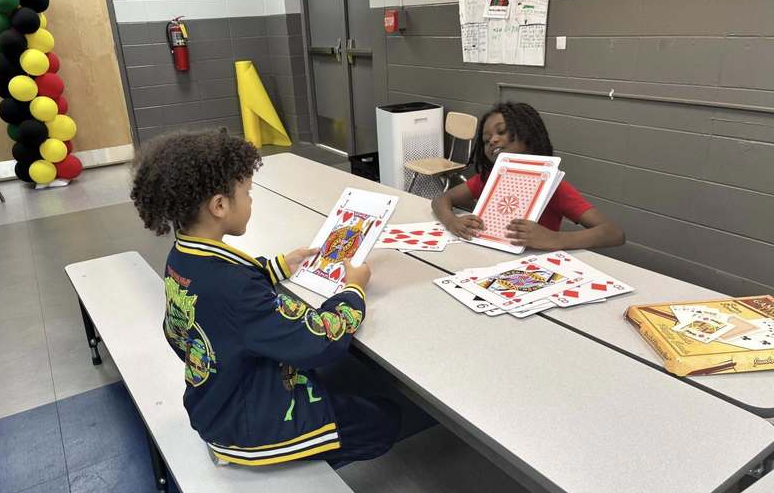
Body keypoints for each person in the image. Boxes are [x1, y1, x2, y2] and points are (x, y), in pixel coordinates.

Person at [130, 131, 400, 468]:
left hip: (213, 403)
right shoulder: (235, 286)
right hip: (251, 428)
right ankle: (307, 466)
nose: (251, 200)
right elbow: (315, 341)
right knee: (386, 421)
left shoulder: (182, 258)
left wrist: (278, 266)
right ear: (219, 205)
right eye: (247, 192)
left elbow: (180, 330)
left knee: (349, 390)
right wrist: (353, 290)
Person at [431, 102, 625, 250]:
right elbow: (441, 199)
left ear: (528, 136)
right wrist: (452, 221)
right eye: (486, 139)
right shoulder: (487, 179)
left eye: (501, 132)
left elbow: (614, 233)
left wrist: (555, 239)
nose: (492, 141)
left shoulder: (553, 186)